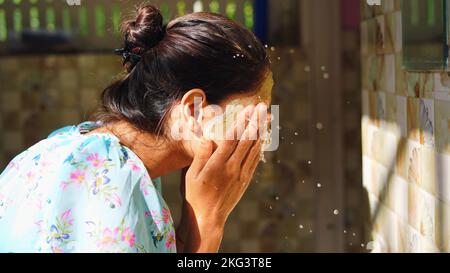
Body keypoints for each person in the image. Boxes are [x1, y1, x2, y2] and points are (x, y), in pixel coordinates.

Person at [0, 4, 273, 253]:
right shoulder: (107, 185)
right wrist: (209, 221)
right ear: (195, 110)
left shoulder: (83, 152)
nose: (264, 131)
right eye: (254, 114)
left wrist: (194, 224)